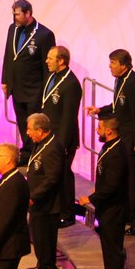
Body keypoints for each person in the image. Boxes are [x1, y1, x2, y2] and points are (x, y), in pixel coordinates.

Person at [86, 49, 135, 235]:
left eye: (113, 63)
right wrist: (100, 110)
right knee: (124, 180)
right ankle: (128, 217)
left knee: (134, 182)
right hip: (125, 139)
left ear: (124, 65)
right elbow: (118, 106)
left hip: (134, 142)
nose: (110, 66)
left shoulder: (134, 83)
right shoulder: (120, 80)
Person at [79, 117, 129, 269]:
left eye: (99, 127)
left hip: (114, 209)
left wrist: (91, 198)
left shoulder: (116, 152)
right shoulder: (110, 147)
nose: (96, 130)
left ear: (109, 131)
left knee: (113, 248)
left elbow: (113, 186)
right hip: (107, 207)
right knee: (107, 246)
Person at [1, 0, 56, 166]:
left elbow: (47, 67)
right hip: (16, 87)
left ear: (28, 13)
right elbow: (9, 55)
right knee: (22, 123)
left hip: (34, 90)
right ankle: (27, 152)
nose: (14, 17)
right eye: (13, 14)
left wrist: (46, 91)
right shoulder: (13, 29)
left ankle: (36, 153)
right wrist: (5, 79)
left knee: (35, 125)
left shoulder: (44, 35)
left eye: (17, 14)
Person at [42, 45, 82, 226]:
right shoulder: (52, 76)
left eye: (50, 58)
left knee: (64, 176)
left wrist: (63, 144)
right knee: (53, 175)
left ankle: (67, 214)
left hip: (62, 140)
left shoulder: (71, 84)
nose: (47, 61)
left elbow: (68, 117)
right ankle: (56, 209)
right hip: (50, 138)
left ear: (61, 61)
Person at [25, 113, 63, 269]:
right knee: (38, 236)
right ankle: (42, 264)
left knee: (45, 237)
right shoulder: (41, 144)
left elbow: (52, 179)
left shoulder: (52, 147)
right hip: (38, 202)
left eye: (29, 129)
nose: (27, 133)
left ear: (40, 130)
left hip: (47, 203)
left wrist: (34, 196)